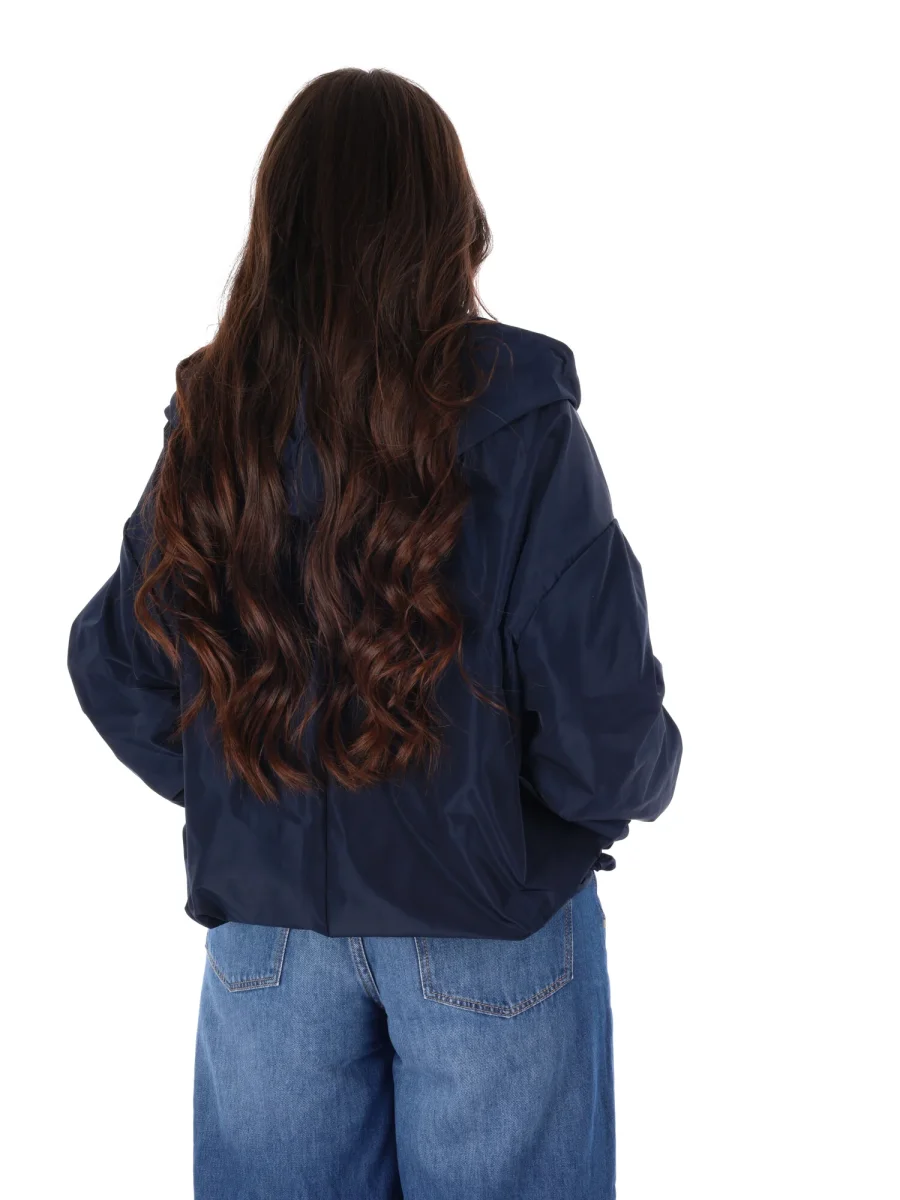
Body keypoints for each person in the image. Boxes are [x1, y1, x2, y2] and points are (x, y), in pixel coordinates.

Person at [67, 67, 682, 1200]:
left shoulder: (220, 420)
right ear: (447, 220)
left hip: (267, 948)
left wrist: (253, 794)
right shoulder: (521, 425)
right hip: (487, 929)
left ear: (279, 226)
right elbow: (605, 729)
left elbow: (118, 668)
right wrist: (533, 825)